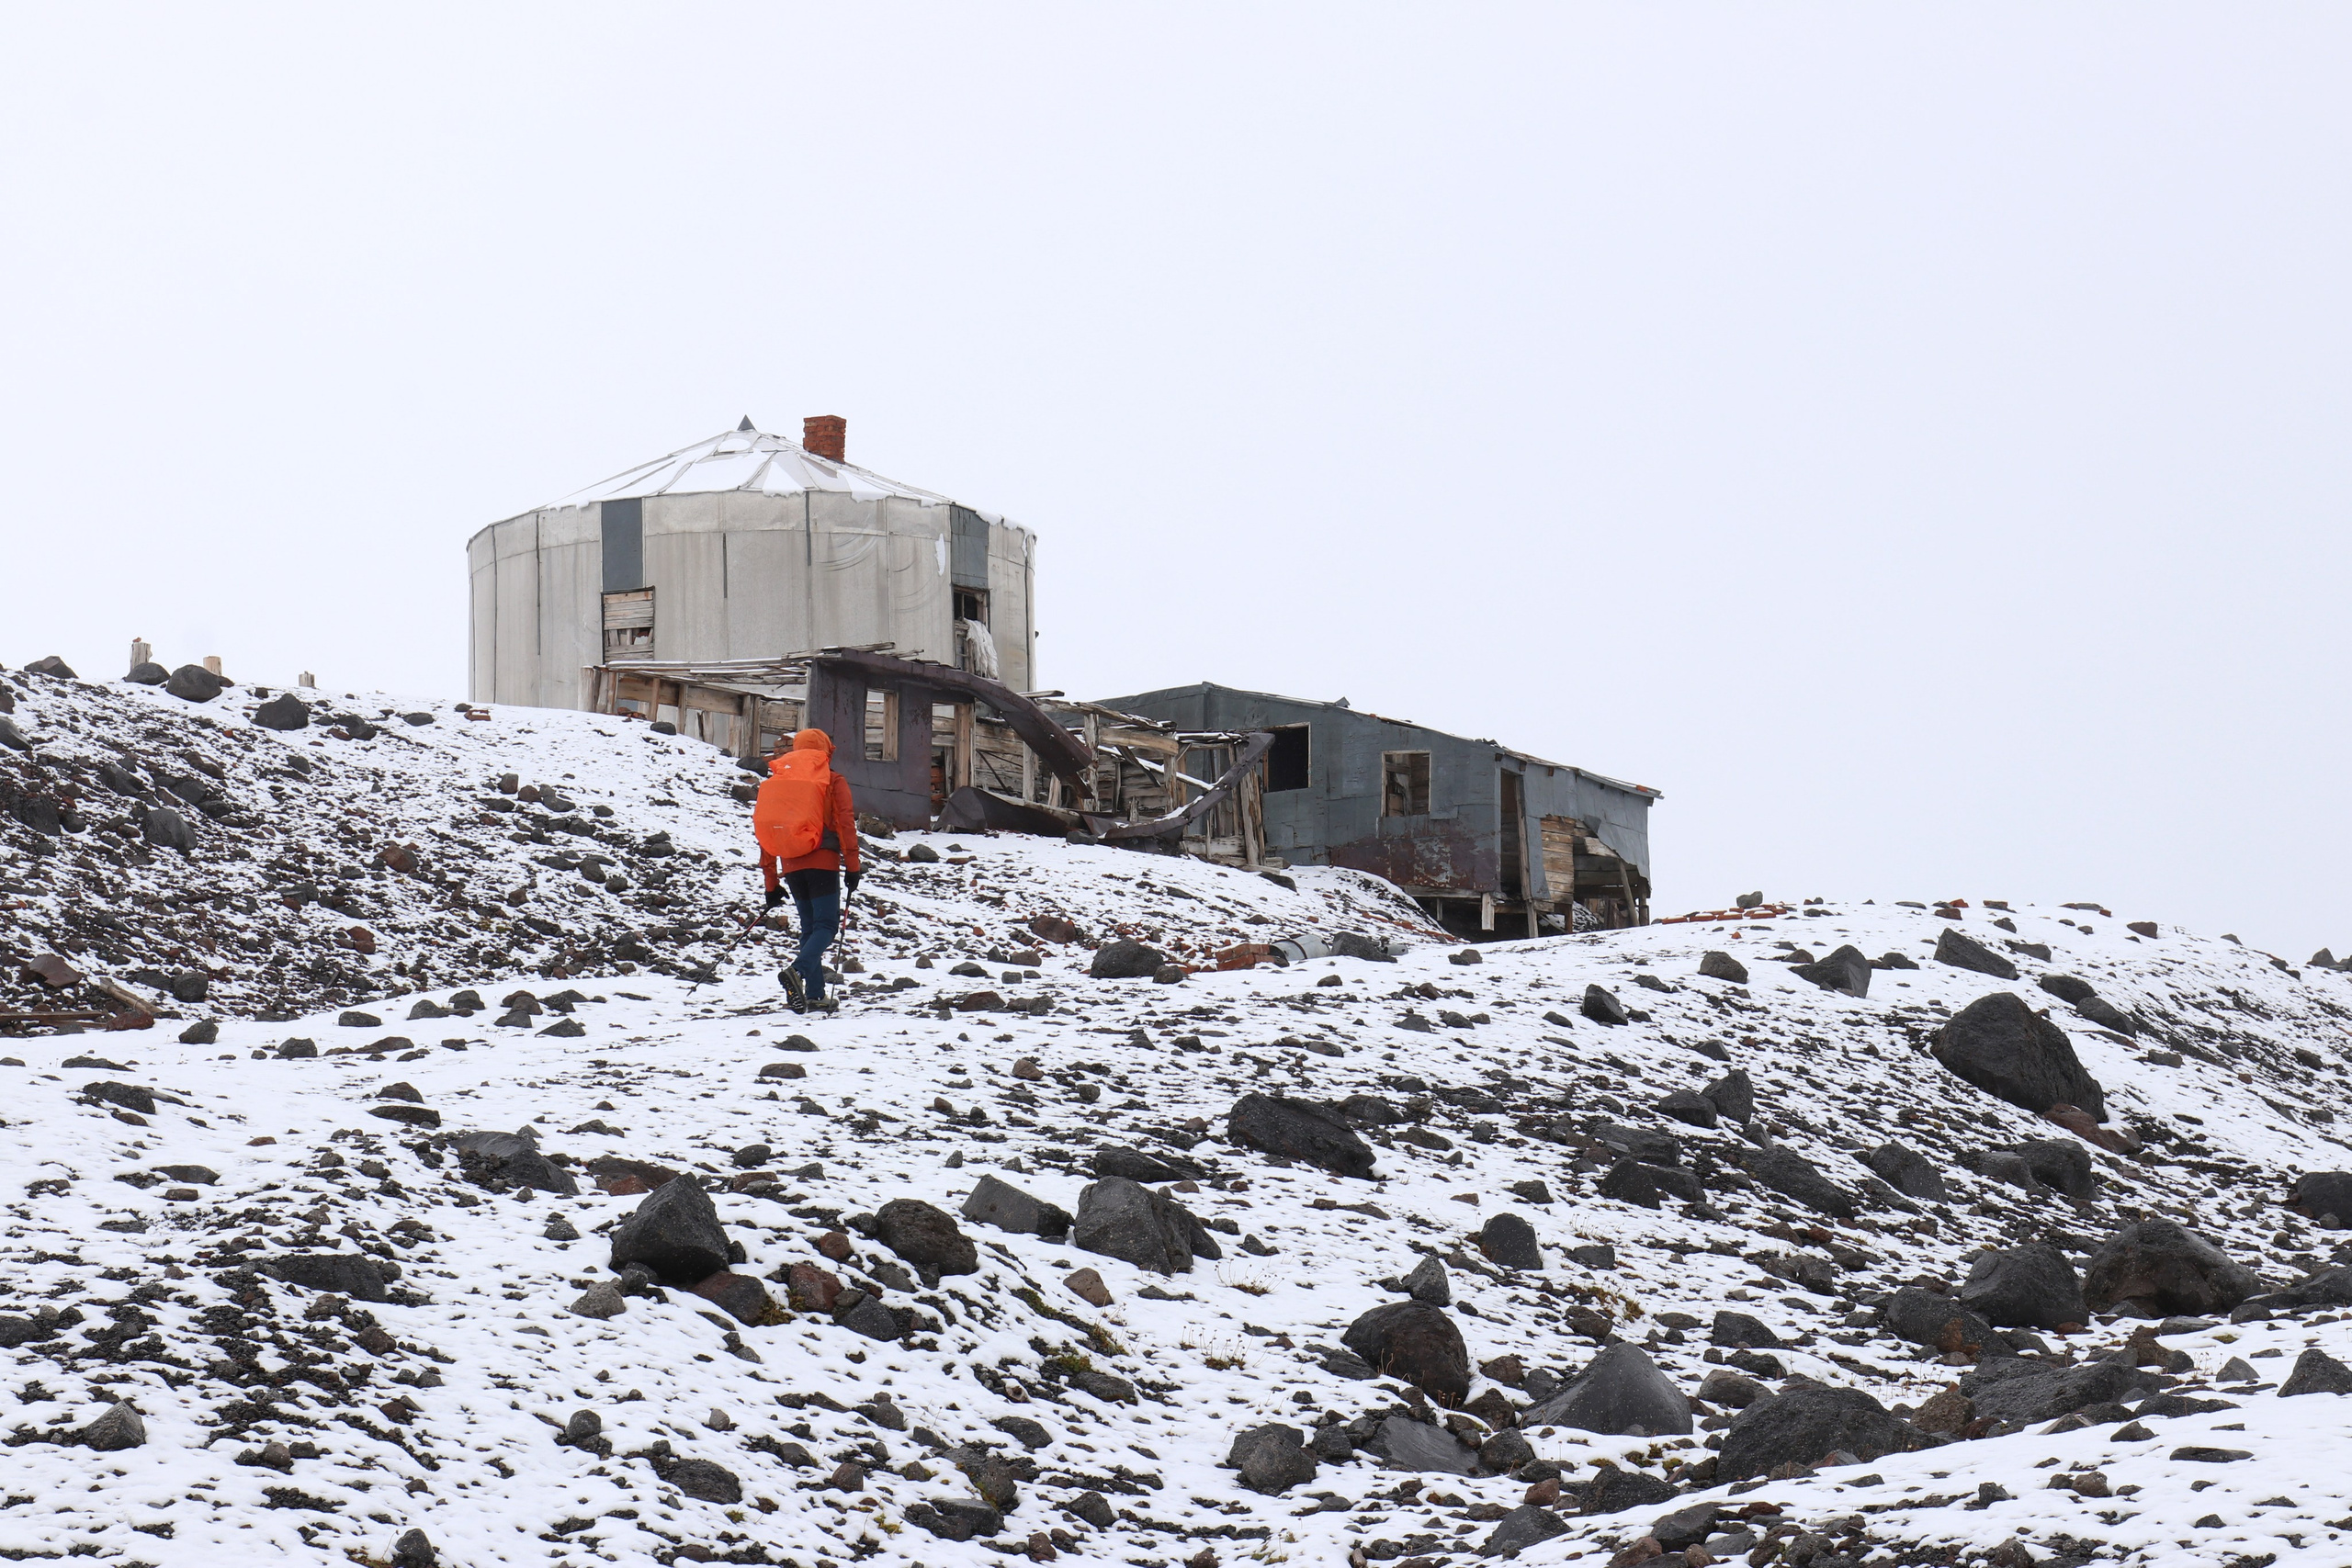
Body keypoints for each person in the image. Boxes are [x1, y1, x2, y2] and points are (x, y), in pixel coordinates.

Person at [752, 728, 862, 1012]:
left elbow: (767, 834)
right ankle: (797, 971)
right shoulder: (833, 781)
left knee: (810, 928)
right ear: (825, 751)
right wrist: (853, 867)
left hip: (790, 864)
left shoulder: (780, 783)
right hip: (822, 861)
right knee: (826, 926)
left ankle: (814, 994)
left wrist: (771, 884)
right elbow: (846, 825)